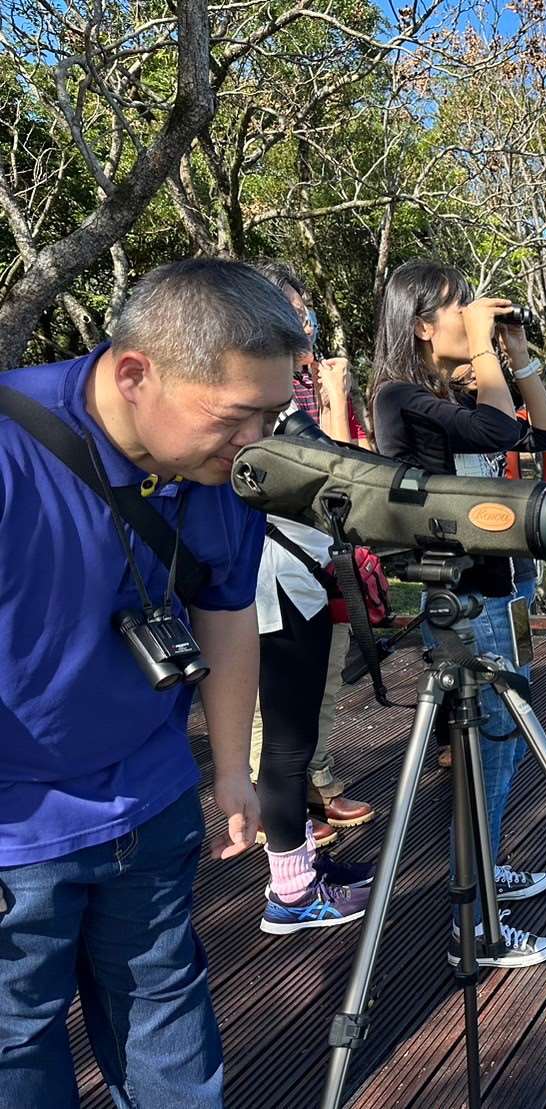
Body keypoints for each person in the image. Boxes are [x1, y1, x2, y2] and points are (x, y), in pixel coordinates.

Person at [0, 259, 304, 1105]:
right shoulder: (10, 446)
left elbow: (228, 607)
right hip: (17, 831)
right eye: (237, 416)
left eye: (270, 415)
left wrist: (233, 769)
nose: (254, 442)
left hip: (152, 798)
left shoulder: (218, 470)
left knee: (166, 1019)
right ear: (136, 373)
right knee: (14, 1046)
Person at [370, 259, 546, 968]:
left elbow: (541, 435)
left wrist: (518, 357)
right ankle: (475, 924)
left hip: (499, 587)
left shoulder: (445, 392)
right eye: (460, 308)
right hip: (468, 601)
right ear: (423, 325)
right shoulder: (398, 398)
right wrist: (486, 349)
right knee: (486, 749)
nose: (473, 316)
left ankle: (486, 863)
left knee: (504, 743)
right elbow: (495, 433)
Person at [248, 261, 376, 935]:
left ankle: (302, 871)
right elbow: (336, 474)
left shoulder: (280, 393)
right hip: (278, 578)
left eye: (305, 312)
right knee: (287, 744)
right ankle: (291, 891)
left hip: (299, 571)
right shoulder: (263, 402)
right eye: (294, 313)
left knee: (294, 740)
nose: (306, 326)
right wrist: (334, 399)